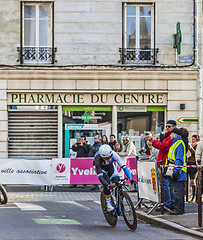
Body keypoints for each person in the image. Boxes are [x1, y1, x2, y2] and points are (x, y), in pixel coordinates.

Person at [93, 144, 136, 211]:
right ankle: (108, 203)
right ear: (102, 157)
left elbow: (124, 167)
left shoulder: (114, 154)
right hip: (101, 169)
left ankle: (118, 203)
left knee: (117, 181)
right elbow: (101, 177)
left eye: (110, 157)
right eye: (107, 158)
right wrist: (108, 185)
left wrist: (131, 179)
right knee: (106, 182)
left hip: (110, 167)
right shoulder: (97, 159)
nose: (109, 159)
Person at [152, 120, 176, 210]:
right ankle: (169, 203)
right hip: (164, 162)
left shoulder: (170, 137)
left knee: (166, 185)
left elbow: (163, 147)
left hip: (167, 163)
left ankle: (167, 203)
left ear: (174, 127)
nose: (167, 128)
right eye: (166, 126)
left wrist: (154, 141)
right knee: (166, 185)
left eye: (169, 126)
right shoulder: (167, 136)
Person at [166, 128, 187, 215]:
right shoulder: (175, 143)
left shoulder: (179, 144)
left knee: (178, 191)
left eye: (171, 134)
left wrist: (176, 171)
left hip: (179, 172)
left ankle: (179, 209)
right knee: (175, 190)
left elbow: (179, 159)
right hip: (174, 170)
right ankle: (177, 208)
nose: (170, 136)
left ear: (175, 134)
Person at [187, 135, 200, 201]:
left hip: (194, 163)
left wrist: (190, 148)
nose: (192, 140)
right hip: (188, 163)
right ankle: (189, 196)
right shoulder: (190, 145)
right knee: (189, 181)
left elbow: (195, 153)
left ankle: (194, 196)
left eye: (194, 139)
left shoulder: (198, 145)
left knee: (193, 180)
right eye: (192, 139)